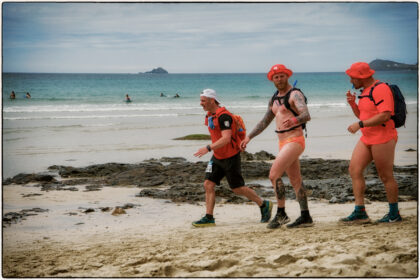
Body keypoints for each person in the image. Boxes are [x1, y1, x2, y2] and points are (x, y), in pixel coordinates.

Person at [241, 64, 313, 229]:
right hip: (283, 142)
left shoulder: (295, 94)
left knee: (274, 175)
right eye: (276, 77)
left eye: (282, 76)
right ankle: (306, 215)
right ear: (272, 79)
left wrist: (294, 120)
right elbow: (265, 121)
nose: (279, 79)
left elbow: (306, 114)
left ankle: (281, 213)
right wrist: (249, 136)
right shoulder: (274, 98)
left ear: (287, 76)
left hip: (295, 140)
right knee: (295, 180)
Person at [192, 88, 273, 227]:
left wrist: (207, 148)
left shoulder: (224, 117)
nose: (201, 103)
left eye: (203, 101)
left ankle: (263, 204)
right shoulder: (210, 115)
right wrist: (212, 150)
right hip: (217, 157)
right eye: (200, 101)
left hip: (230, 157)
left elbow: (226, 139)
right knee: (208, 184)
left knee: (237, 188)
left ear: (212, 101)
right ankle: (209, 217)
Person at [340, 62, 401, 224]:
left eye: (352, 78)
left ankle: (394, 214)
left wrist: (359, 125)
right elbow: (363, 116)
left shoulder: (380, 89)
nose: (351, 81)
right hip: (367, 137)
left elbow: (385, 115)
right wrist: (353, 104)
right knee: (354, 169)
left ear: (361, 77)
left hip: (383, 137)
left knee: (385, 176)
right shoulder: (365, 91)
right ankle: (360, 212)